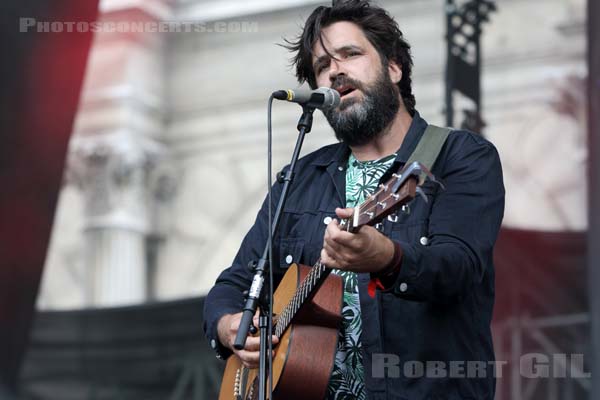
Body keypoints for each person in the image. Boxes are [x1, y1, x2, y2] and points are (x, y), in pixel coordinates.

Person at [203, 1, 505, 399]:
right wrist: (230, 327)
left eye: (351, 54)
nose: (335, 70)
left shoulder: (459, 157)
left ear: (394, 67)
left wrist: (388, 258)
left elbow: (459, 268)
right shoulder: (299, 179)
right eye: (323, 65)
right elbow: (236, 282)